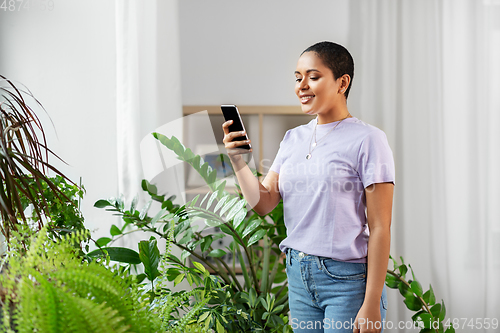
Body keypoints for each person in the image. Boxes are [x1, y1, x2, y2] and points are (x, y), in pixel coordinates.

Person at [222, 41, 395, 333]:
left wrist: (371, 303)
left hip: (347, 282)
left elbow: (380, 227)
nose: (301, 85)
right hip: (299, 278)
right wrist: (238, 161)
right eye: (297, 77)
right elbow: (264, 203)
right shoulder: (293, 138)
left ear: (342, 83)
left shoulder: (368, 140)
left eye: (313, 77)